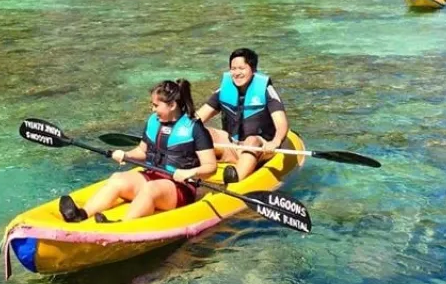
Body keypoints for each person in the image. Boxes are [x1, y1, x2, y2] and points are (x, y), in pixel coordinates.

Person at [58, 79, 217, 224]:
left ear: (172, 105)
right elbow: (143, 151)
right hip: (153, 175)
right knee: (117, 178)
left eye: (156, 105)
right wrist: (126, 155)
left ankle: (123, 225)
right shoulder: (153, 122)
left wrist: (190, 173)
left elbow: (210, 167)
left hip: (180, 187)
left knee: (151, 189)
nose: (152, 109)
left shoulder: (194, 128)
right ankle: (81, 214)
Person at [195, 48, 289, 185]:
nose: (237, 73)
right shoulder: (224, 90)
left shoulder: (266, 90)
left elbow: (282, 123)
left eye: (241, 68)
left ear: (253, 69)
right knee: (202, 132)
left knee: (251, 140)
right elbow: (198, 117)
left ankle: (235, 178)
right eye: (233, 69)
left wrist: (275, 142)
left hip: (259, 149)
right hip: (231, 146)